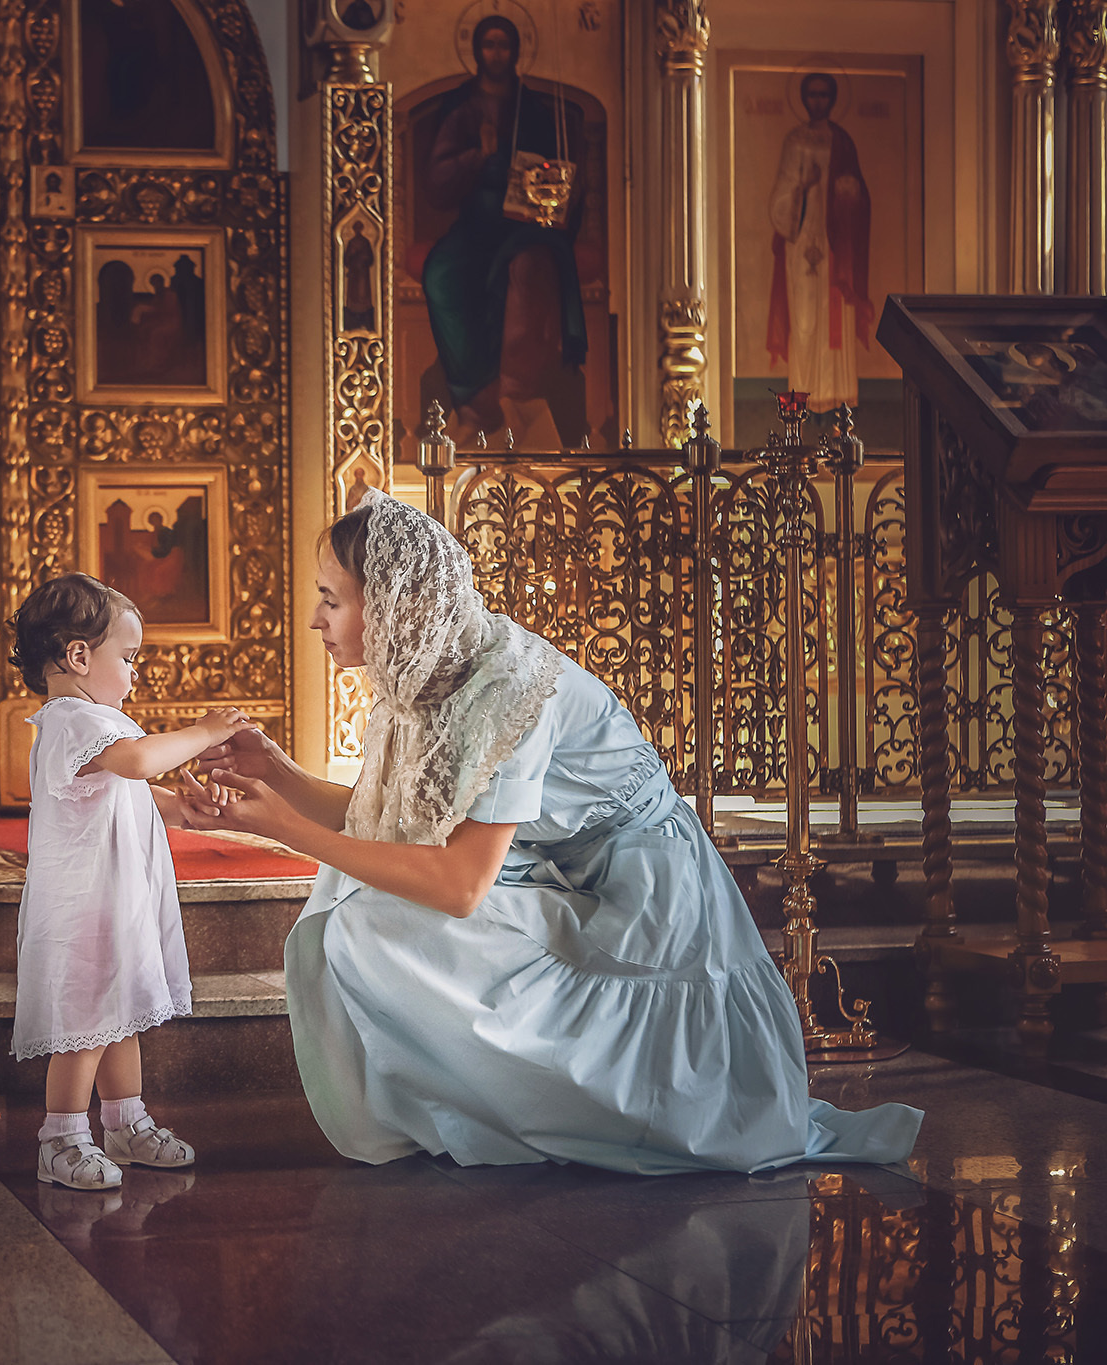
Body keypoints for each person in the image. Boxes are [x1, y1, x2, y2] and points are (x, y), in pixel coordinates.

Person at [183, 494, 923, 1174]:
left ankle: (544, 1104)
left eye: (330, 599)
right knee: (356, 895)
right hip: (553, 865)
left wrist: (287, 831)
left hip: (643, 893)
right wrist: (279, 775)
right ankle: (473, 1098)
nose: (315, 618)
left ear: (395, 606)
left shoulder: (510, 689)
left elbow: (460, 883)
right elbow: (388, 823)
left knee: (363, 902)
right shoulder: (426, 669)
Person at [7, 573, 255, 1190]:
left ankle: (125, 1122)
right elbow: (140, 761)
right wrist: (208, 731)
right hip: (83, 907)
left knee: (121, 1015)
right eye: (128, 656)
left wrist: (187, 807)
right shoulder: (71, 719)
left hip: (117, 901)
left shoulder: (98, 725)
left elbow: (137, 790)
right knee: (85, 1022)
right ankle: (60, 1137)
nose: (136, 671)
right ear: (79, 656)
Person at [416, 15, 587, 449]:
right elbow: (436, 181)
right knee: (440, 273)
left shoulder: (532, 110)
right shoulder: (462, 107)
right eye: (488, 45)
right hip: (477, 223)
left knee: (530, 270)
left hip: (527, 222)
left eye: (503, 45)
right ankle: (473, 402)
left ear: (515, 52)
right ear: (476, 51)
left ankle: (519, 394)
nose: (496, 53)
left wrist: (541, 184)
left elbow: (559, 173)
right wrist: (478, 154)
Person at [767, 72, 872, 412]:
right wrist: (803, 185)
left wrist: (849, 193)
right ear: (803, 98)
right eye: (811, 95)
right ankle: (800, 402)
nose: (817, 101)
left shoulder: (843, 142)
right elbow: (780, 200)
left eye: (824, 95)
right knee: (804, 320)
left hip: (835, 246)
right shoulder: (793, 141)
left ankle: (839, 401)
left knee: (834, 316)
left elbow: (859, 195)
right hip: (801, 243)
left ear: (833, 98)